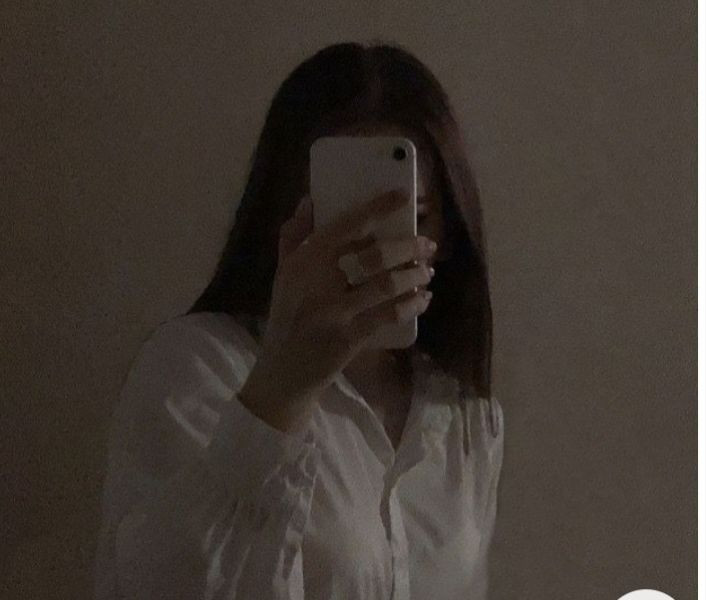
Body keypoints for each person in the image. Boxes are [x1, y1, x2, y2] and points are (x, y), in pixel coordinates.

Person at [94, 41, 504, 600]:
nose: (372, 248)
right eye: (337, 219)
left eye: (412, 217)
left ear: (448, 234)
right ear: (283, 222)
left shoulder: (461, 417)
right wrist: (282, 388)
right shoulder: (195, 370)